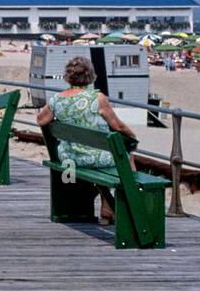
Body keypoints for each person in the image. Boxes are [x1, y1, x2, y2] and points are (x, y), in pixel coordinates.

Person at [36, 56, 138, 225]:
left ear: (68, 76)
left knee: (116, 158)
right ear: (90, 76)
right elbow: (118, 126)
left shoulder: (57, 99)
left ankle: (107, 205)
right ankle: (126, 204)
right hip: (98, 158)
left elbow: (41, 120)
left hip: (70, 157)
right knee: (127, 156)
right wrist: (133, 137)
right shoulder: (97, 98)